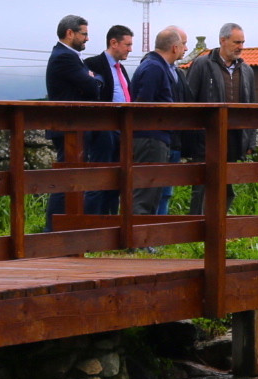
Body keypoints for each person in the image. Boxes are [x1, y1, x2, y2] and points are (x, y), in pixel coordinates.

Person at [180, 21, 255, 214]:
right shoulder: (202, 64)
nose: (241, 47)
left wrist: (250, 140)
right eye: (237, 42)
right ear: (223, 40)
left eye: (243, 42)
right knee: (202, 184)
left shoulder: (246, 70)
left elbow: (252, 108)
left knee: (226, 184)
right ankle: (195, 227)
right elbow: (189, 102)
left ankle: (218, 223)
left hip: (234, 137)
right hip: (206, 136)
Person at [43, 14, 100, 231]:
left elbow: (92, 83)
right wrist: (93, 78)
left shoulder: (68, 56)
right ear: (70, 33)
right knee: (66, 179)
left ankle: (65, 226)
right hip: (68, 126)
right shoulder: (64, 57)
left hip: (72, 127)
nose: (87, 38)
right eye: (84, 33)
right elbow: (93, 87)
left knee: (72, 179)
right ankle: (54, 229)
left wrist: (92, 78)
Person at [130, 25, 188, 219]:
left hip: (156, 136)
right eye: (182, 45)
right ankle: (139, 237)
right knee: (146, 188)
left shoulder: (157, 66)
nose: (184, 50)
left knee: (153, 189)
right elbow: (144, 104)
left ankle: (145, 237)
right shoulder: (154, 68)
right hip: (149, 136)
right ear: (174, 48)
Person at [83, 24, 134, 216]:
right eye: (127, 44)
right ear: (114, 43)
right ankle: (92, 222)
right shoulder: (93, 64)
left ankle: (111, 221)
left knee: (117, 179)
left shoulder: (121, 69)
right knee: (98, 177)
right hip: (103, 129)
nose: (130, 49)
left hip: (122, 129)